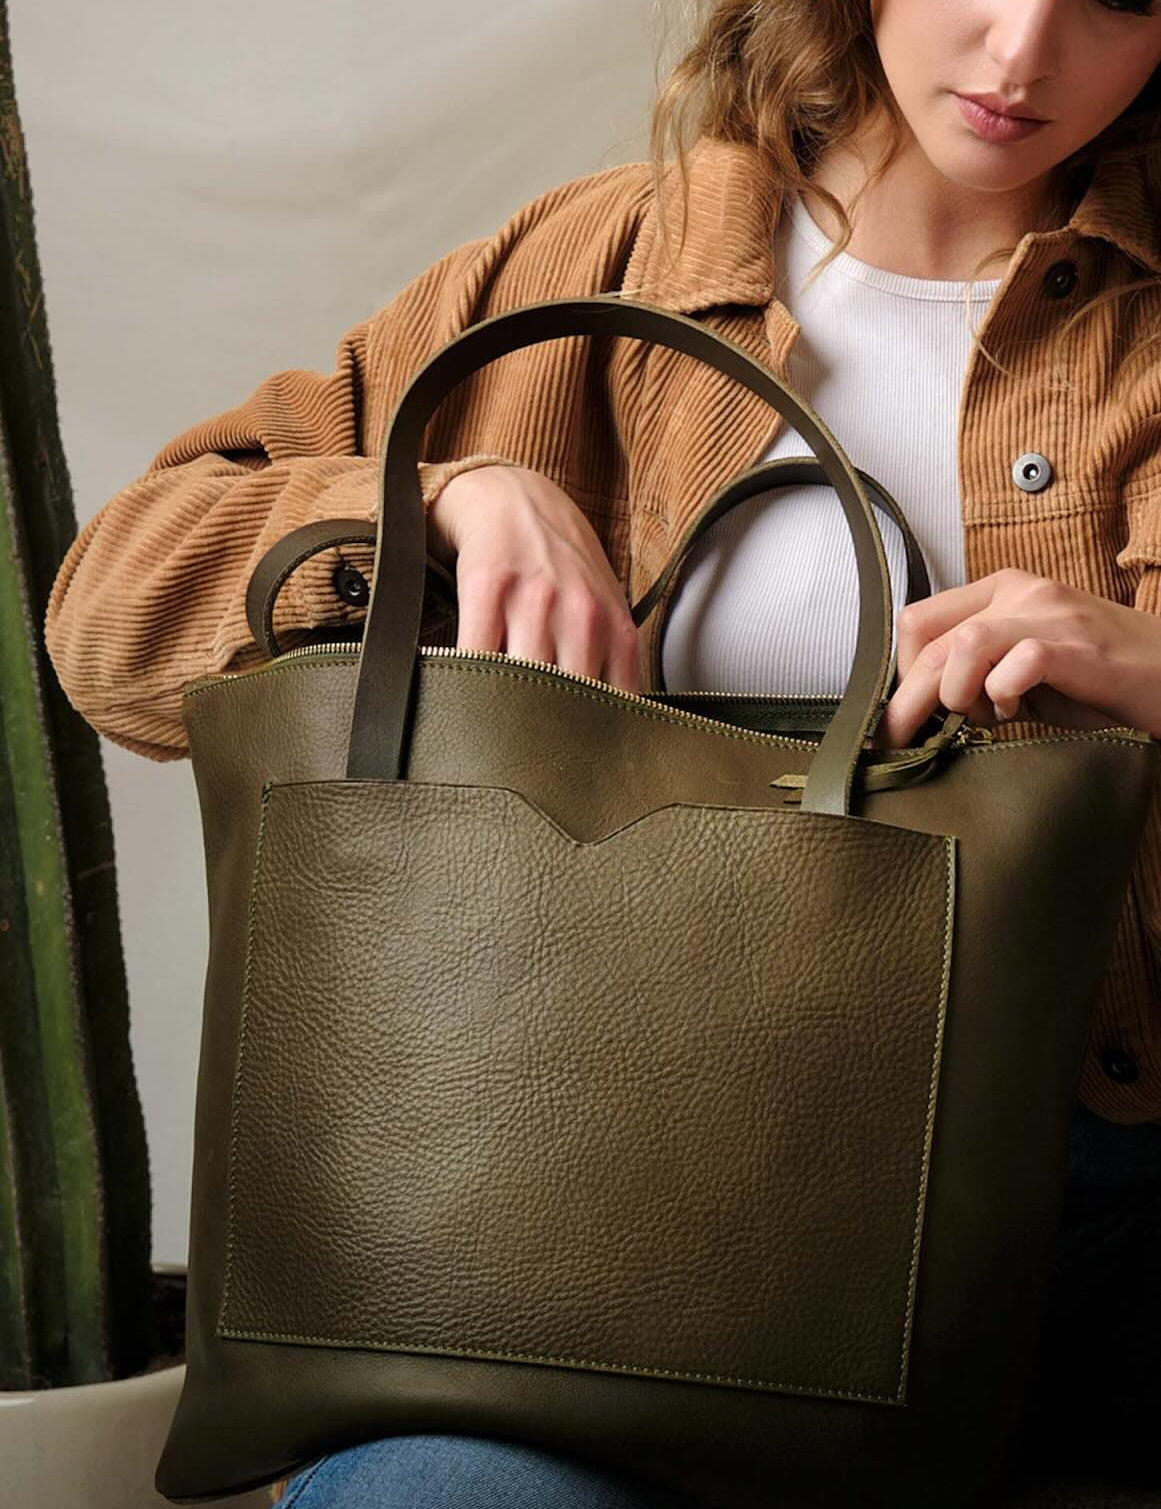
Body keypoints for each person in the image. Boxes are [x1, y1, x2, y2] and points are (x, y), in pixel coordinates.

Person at [45, 0, 1161, 1504]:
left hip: (1096, 1228)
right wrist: (443, 495)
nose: (1021, 50)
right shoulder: (594, 272)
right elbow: (105, 615)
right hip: (575, 1221)